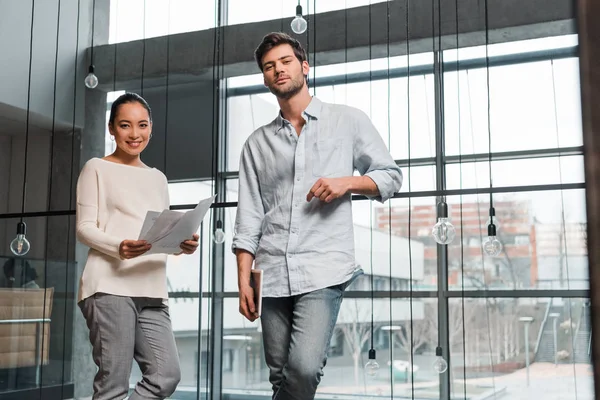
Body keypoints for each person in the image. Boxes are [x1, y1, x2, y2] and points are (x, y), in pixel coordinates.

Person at [232, 32, 403, 399]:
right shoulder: (256, 144)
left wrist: (348, 183)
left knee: (304, 369)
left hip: (323, 267)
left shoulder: (348, 121)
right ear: (264, 77)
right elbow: (248, 218)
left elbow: (390, 176)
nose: (278, 70)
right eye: (269, 66)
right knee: (279, 377)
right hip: (271, 271)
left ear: (304, 66)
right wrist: (244, 281)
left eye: (285, 61)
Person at [76, 92, 199, 400]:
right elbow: (84, 228)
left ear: (151, 128)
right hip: (109, 286)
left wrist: (180, 244)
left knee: (166, 375)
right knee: (112, 385)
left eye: (142, 125)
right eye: (125, 125)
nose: (134, 134)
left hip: (152, 290)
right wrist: (119, 246)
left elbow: (157, 236)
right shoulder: (96, 168)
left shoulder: (158, 178)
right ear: (111, 129)